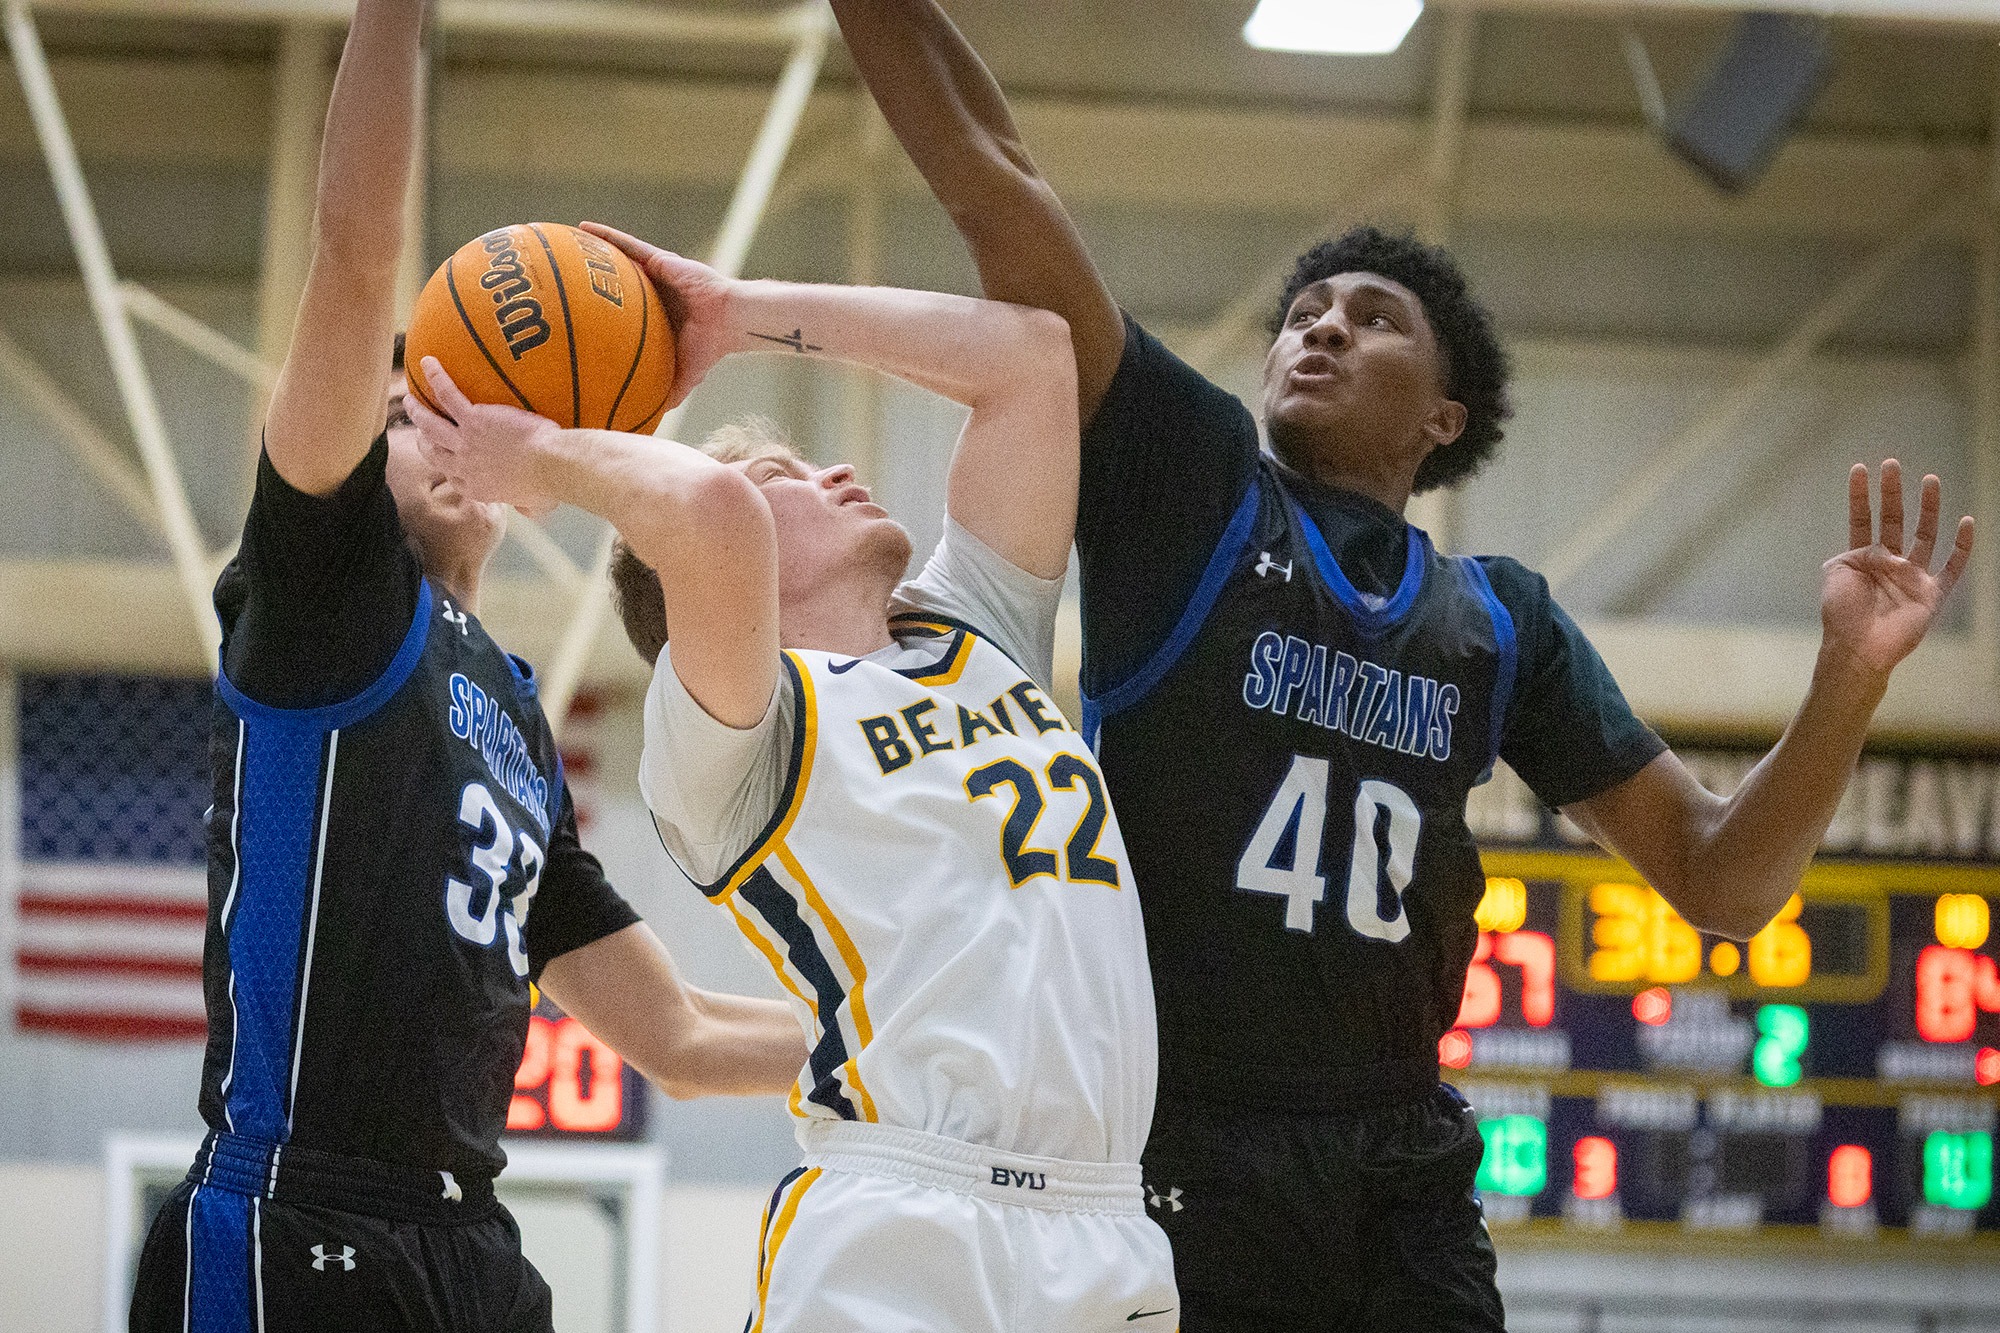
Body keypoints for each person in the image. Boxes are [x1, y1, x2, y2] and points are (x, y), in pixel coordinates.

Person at [823, 4, 1980, 1329]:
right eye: (1304, 311)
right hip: (1178, 1132)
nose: (1320, 327)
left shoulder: (1499, 624)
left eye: (1372, 319)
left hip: (1401, 1158)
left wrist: (1848, 681)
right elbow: (993, 175)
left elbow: (1719, 878)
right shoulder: (1189, 480)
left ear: (1446, 415)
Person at [127, 6, 804, 1331]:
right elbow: (355, 248)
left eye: (453, 407)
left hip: (472, 1249)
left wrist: (931, 1050)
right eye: (397, 412)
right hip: (295, 1219)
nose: (429, 428)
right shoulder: (326, 595)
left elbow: (676, 1036)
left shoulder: (512, 713)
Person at [410, 225, 1178, 1333]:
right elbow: (708, 519)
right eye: (790, 476)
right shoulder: (730, 724)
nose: (841, 469)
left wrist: (736, 311)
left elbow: (1029, 359)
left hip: (1104, 1226)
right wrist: (540, 458)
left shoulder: (977, 632)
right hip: (902, 1219)